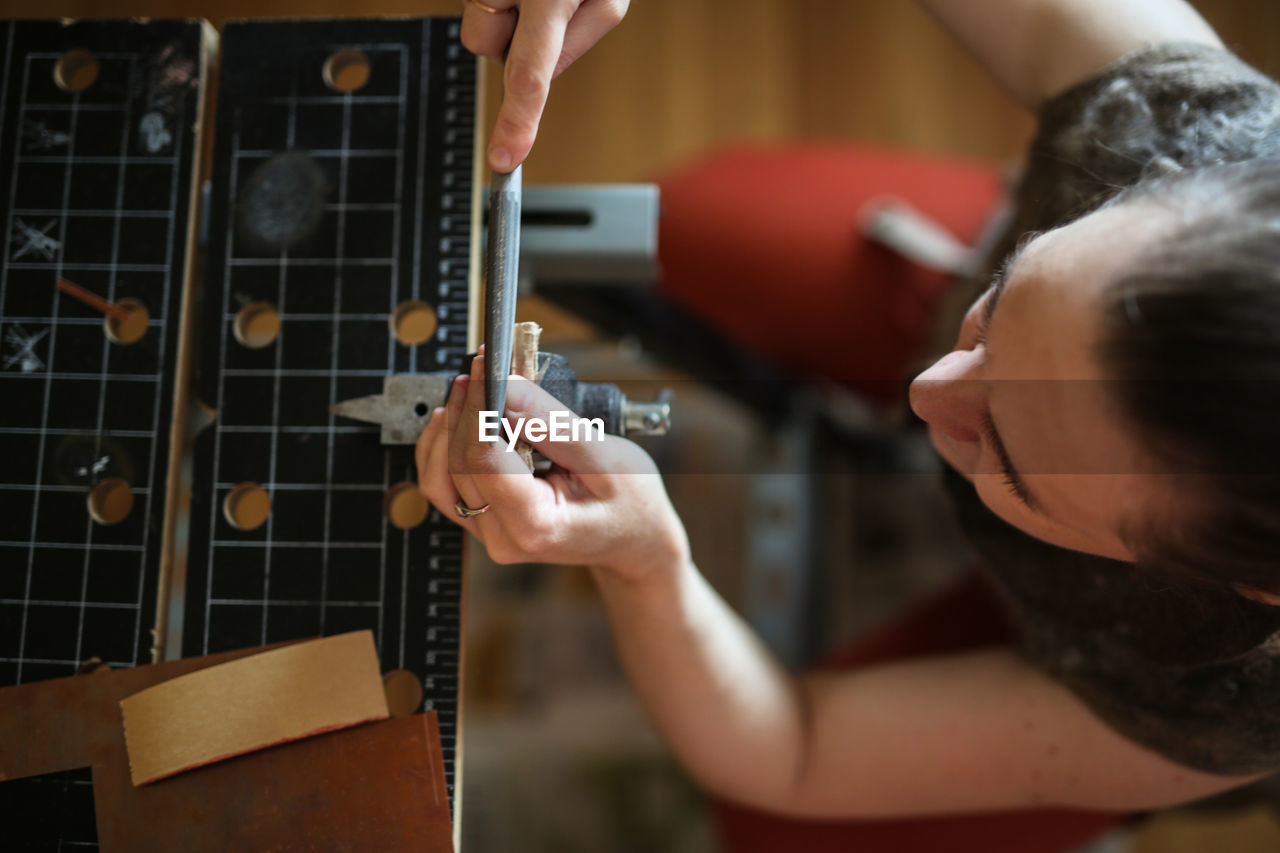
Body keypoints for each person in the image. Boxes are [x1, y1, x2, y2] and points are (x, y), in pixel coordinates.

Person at [426, 0, 1280, 820]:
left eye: (1012, 461)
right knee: (693, 216)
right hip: (996, 264)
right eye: (1011, 296)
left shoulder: (1233, 708)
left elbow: (793, 750)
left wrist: (646, 561)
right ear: (1170, 183)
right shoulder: (1205, 126)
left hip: (1106, 670)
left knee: (772, 831)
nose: (926, 393)